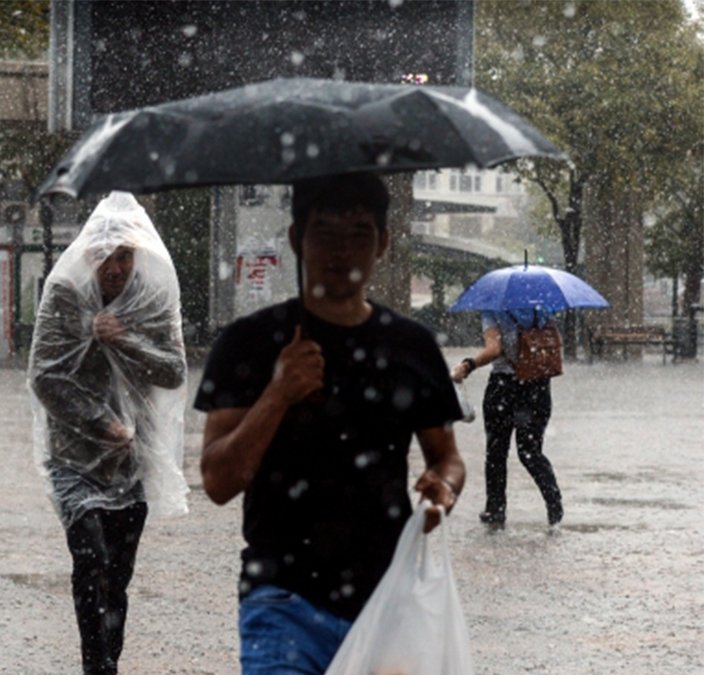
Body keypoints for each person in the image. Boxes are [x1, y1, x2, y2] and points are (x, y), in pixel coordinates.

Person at [194, 172, 466, 674]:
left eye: (359, 233)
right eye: (325, 233)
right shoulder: (248, 344)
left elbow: (446, 458)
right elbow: (217, 480)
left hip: (386, 598)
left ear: (383, 243)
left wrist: (442, 492)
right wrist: (279, 392)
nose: (342, 251)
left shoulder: (411, 347)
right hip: (281, 601)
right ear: (297, 237)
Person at [28, 191, 189, 675]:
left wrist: (126, 339)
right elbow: (45, 376)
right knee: (91, 560)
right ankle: (98, 668)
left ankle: (106, 663)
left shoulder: (150, 301)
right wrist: (102, 421)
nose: (115, 267)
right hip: (75, 459)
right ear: (88, 254)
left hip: (131, 462)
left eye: (124, 256)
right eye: (105, 255)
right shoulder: (65, 297)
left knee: (117, 579)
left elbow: (174, 370)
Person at [451, 308, 563, 527]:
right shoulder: (542, 309)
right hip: (538, 387)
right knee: (530, 451)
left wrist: (467, 365)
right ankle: (554, 503)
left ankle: (495, 510)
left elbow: (494, 350)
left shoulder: (493, 309)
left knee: (496, 452)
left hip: (503, 388)